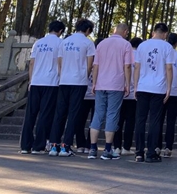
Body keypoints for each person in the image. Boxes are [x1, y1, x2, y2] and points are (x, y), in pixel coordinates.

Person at [48, 18, 96, 157]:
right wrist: (85, 76)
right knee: (73, 113)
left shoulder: (65, 42)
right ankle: (66, 146)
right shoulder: (88, 43)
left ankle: (53, 145)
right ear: (87, 30)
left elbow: (59, 61)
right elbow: (89, 64)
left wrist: (62, 74)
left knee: (60, 113)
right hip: (79, 81)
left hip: (64, 80)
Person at [88, 23, 133, 160]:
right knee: (112, 114)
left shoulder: (102, 44)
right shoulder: (126, 45)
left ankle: (93, 148)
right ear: (125, 31)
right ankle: (107, 149)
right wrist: (127, 83)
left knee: (98, 114)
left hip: (101, 83)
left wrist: (94, 83)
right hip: (116, 84)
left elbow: (96, 66)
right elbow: (127, 66)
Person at [20, 20, 65, 154]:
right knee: (45, 114)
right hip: (51, 82)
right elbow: (60, 63)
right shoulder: (60, 43)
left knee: (30, 115)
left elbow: (32, 63)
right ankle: (38, 146)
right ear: (60, 31)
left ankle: (25, 145)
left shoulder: (38, 43)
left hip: (36, 81)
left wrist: (30, 81)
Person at [133, 22, 174, 163]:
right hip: (158, 88)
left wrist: (135, 86)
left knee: (140, 120)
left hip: (143, 86)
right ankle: (151, 153)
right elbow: (169, 68)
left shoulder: (142, 45)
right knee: (155, 121)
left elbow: (137, 67)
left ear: (153, 32)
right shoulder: (167, 47)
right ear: (165, 34)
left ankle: (138, 153)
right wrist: (169, 88)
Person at [113, 37, 142, 156]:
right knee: (130, 121)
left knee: (118, 120)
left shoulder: (124, 54)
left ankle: (116, 147)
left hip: (120, 90)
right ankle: (126, 147)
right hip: (134, 93)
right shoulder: (140, 56)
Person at [159, 32, 177, 158]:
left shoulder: (162, 54)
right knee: (171, 122)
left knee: (159, 119)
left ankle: (156, 146)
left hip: (162, 90)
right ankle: (168, 147)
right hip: (175, 91)